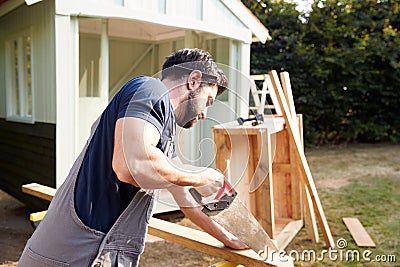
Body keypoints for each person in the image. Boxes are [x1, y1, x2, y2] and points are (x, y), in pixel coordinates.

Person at [18, 48, 248, 267]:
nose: (205, 113)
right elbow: (130, 166)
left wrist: (231, 238)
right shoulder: (150, 88)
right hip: (71, 255)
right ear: (194, 80)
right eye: (208, 101)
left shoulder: (162, 136)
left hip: (89, 254)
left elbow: (186, 200)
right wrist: (201, 176)